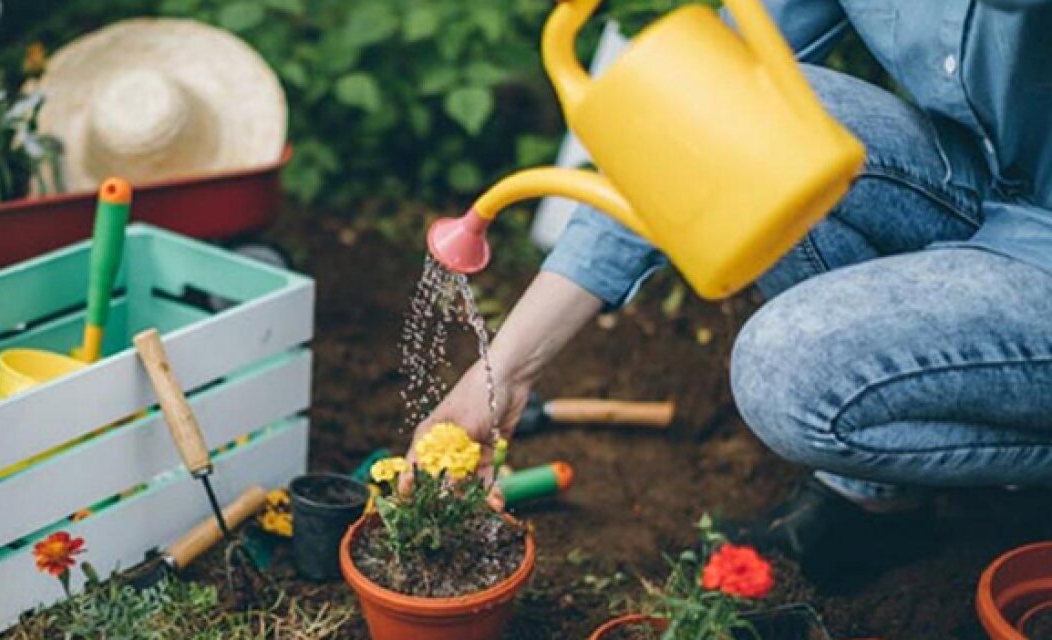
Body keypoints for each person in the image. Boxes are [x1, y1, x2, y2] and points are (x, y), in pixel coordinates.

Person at [406, 0, 1052, 580]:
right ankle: (875, 502)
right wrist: (503, 374)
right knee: (761, 126)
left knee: (788, 370)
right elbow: (697, 118)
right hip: (991, 182)